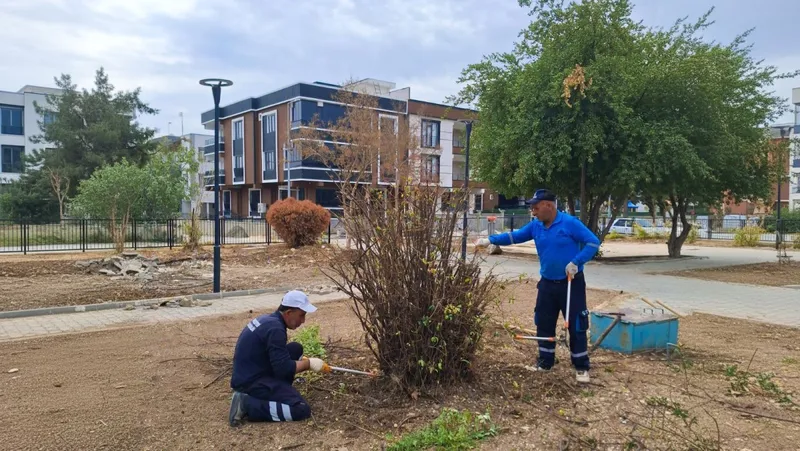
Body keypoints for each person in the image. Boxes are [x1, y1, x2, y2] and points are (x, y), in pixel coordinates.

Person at [475, 189, 600, 383]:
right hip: (547, 284)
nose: (533, 211)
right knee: (543, 323)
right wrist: (489, 240)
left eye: (536, 207)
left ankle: (581, 365)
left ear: (548, 206)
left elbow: (593, 242)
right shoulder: (536, 226)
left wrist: (577, 262)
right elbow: (514, 236)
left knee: (576, 324)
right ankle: (545, 362)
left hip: (571, 283)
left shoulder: (570, 223)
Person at [228, 290, 329, 426]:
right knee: (301, 410)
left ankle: (278, 392)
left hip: (249, 372)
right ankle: (247, 404)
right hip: (251, 382)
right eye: (301, 315)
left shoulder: (268, 321)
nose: (303, 320)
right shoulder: (276, 329)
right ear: (288, 313)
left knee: (295, 348)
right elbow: (283, 368)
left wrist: (301, 361)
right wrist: (308, 364)